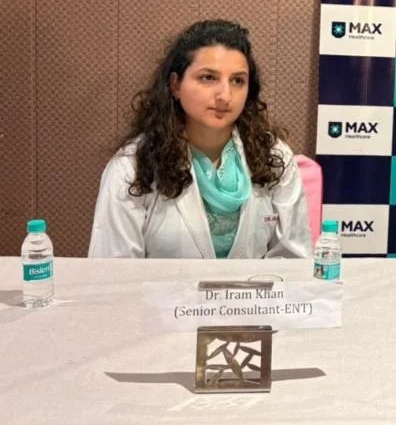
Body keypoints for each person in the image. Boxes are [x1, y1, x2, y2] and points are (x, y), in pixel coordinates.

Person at [88, 20, 310, 259]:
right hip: (162, 286)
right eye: (208, 78)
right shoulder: (132, 166)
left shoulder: (274, 156)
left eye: (237, 80)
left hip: (255, 286)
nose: (225, 95)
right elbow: (114, 269)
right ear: (175, 85)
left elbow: (293, 260)